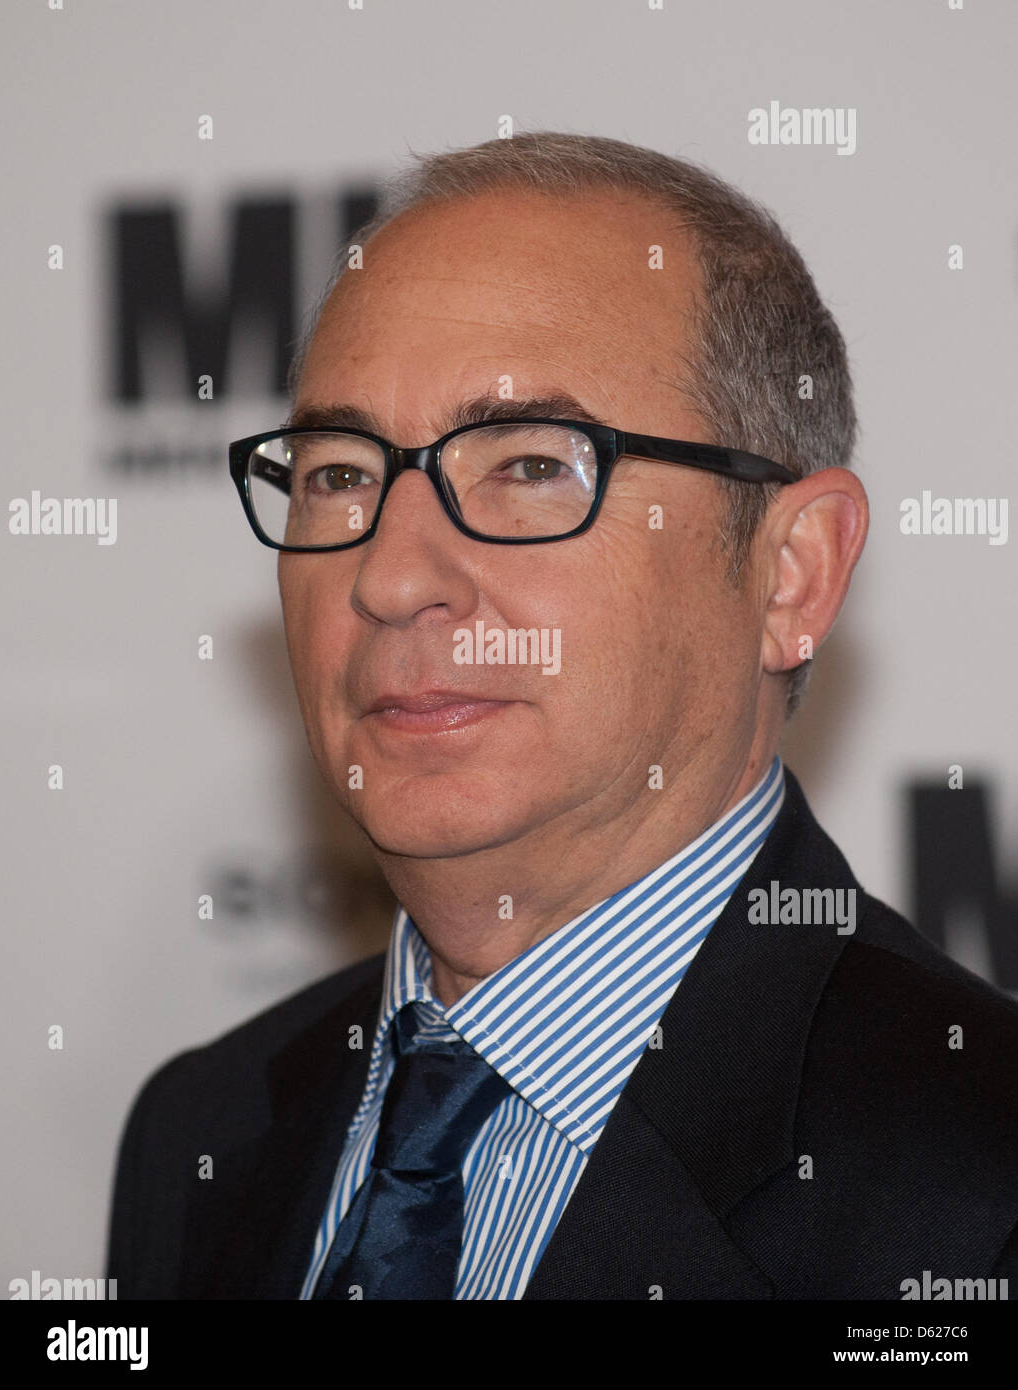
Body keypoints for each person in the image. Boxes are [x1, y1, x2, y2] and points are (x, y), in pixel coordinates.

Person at [107, 131, 1018, 1300]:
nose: (389, 577)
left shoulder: (979, 1182)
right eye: (339, 473)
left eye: (531, 466)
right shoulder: (204, 1133)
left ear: (790, 572)